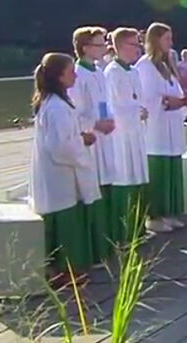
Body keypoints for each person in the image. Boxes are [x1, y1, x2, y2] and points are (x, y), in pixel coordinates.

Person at [29, 52, 99, 285]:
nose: (75, 76)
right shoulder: (56, 107)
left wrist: (77, 137)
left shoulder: (53, 102)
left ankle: (63, 269)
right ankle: (61, 270)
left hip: (58, 173)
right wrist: (84, 141)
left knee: (64, 218)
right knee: (63, 222)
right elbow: (59, 146)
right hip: (59, 174)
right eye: (71, 72)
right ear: (59, 76)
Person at [136, 23, 187, 233]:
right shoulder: (145, 66)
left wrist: (181, 102)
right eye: (167, 38)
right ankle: (154, 216)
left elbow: (174, 91)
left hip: (172, 125)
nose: (171, 42)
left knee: (172, 168)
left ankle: (170, 212)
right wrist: (166, 102)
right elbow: (147, 98)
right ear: (156, 40)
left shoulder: (167, 66)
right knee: (159, 170)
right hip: (157, 128)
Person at [67, 26, 114, 261]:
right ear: (85, 48)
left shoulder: (99, 71)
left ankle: (104, 243)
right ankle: (91, 248)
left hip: (104, 136)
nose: (105, 47)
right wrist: (96, 123)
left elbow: (105, 102)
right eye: (99, 44)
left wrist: (110, 118)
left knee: (104, 186)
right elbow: (76, 111)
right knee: (91, 187)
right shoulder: (78, 75)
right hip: (91, 138)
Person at [101, 28, 152, 241]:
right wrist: (135, 111)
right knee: (124, 178)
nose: (138, 48)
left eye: (139, 44)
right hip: (121, 137)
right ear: (120, 47)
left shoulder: (133, 71)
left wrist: (141, 110)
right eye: (134, 44)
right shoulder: (112, 72)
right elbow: (111, 106)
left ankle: (137, 228)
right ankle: (123, 232)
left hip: (135, 133)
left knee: (137, 177)